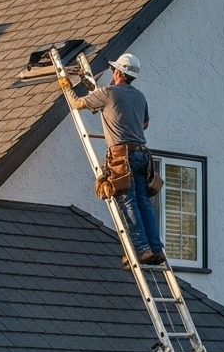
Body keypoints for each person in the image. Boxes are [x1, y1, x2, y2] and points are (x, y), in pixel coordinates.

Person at [61, 53, 165, 267]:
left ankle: (142, 249)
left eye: (113, 70)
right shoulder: (139, 96)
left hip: (121, 156)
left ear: (118, 72)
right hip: (141, 154)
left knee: (127, 201)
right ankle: (155, 249)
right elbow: (144, 124)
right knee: (143, 201)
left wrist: (66, 85)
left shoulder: (108, 93)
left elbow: (77, 103)